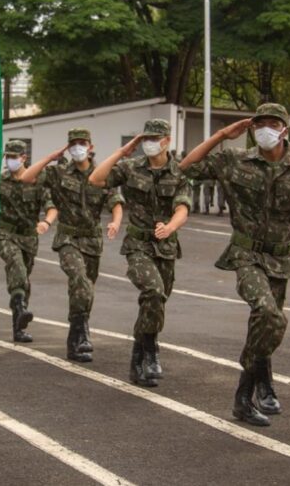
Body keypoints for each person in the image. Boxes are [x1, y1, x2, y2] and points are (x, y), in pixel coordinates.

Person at [180, 103, 290, 427]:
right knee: (268, 313)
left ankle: (257, 384)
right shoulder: (235, 160)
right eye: (260, 123)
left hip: (280, 257)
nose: (266, 128)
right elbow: (187, 166)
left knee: (265, 324)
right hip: (245, 254)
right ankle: (247, 391)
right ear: (252, 128)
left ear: (285, 128)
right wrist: (224, 134)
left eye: (273, 122)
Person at [89, 119, 191, 386]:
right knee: (153, 291)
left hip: (166, 245)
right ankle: (150, 351)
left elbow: (183, 207)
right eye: (146, 138)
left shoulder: (178, 172)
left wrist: (170, 226)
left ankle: (139, 355)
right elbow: (96, 178)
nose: (149, 143)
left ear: (167, 140)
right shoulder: (131, 167)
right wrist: (123, 151)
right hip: (137, 246)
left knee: (156, 303)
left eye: (155, 138)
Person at [21, 128, 124, 362]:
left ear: (90, 146)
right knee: (79, 280)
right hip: (68, 239)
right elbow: (28, 178)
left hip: (92, 240)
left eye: (82, 143)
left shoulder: (101, 174)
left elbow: (116, 202)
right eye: (73, 144)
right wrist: (50, 157)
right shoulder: (58, 173)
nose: (78, 147)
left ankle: (75, 334)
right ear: (68, 147)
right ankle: (83, 334)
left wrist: (116, 223)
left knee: (85, 292)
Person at [0, 140, 58, 342]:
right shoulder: (0, 180)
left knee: (23, 281)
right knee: (16, 266)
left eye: (14, 157)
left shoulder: (38, 180)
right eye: (7, 157)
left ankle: (19, 326)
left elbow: (51, 206)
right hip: (5, 233)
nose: (10, 160)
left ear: (24, 158)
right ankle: (21, 308)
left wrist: (46, 223)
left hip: (29, 237)